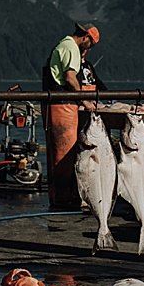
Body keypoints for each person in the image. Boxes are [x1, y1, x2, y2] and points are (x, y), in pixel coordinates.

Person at [41, 23, 100, 210]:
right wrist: (84, 100)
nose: (89, 49)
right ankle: (63, 199)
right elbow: (70, 78)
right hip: (62, 104)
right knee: (64, 155)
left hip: (60, 103)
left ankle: (62, 196)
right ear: (86, 38)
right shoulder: (70, 47)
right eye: (90, 44)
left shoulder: (65, 45)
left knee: (62, 153)